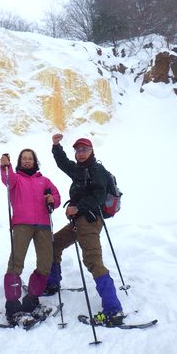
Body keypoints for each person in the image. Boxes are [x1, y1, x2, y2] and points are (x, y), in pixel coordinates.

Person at [45, 133, 124, 325]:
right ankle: (53, 283)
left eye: (84, 150)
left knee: (92, 260)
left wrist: (77, 207)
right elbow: (63, 164)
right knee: (54, 244)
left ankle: (113, 310)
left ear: (91, 151)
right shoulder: (80, 170)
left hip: (89, 221)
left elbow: (98, 196)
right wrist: (56, 146)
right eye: (78, 150)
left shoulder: (96, 170)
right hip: (78, 221)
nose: (80, 153)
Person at [0, 149, 61, 321]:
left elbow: (56, 196)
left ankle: (31, 299)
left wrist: (53, 200)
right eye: (24, 158)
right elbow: (7, 179)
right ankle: (12, 305)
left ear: (35, 161)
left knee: (45, 263)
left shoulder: (44, 180)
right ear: (20, 161)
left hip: (43, 225)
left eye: (30, 158)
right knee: (16, 262)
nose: (27, 161)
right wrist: (6, 165)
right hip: (22, 224)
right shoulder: (16, 178)